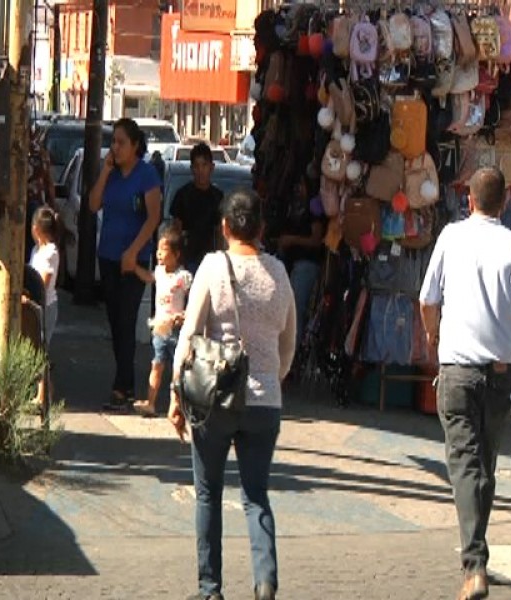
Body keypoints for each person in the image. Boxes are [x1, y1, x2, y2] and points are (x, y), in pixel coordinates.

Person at [419, 167, 511, 600]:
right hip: (499, 375)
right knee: (484, 466)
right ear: (506, 202)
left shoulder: (450, 238)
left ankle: (474, 566)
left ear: (469, 200)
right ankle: (477, 557)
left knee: (468, 466)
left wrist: (433, 338)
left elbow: (427, 300)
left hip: (456, 371)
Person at [168, 191, 296, 600]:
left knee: (208, 492)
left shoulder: (212, 267)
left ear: (225, 227)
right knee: (256, 495)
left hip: (215, 401)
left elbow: (189, 335)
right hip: (265, 402)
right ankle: (265, 580)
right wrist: (270, 378)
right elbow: (288, 343)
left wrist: (176, 393)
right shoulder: (278, 273)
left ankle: (210, 589)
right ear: (261, 229)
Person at [90, 117, 162, 412]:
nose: (115, 148)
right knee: (114, 320)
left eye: (121, 143)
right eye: (113, 142)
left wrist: (133, 251)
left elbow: (153, 217)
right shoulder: (113, 173)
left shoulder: (146, 175)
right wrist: (105, 170)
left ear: (135, 146)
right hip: (107, 255)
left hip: (133, 260)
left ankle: (122, 386)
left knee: (126, 320)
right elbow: (94, 205)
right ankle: (126, 381)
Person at [131, 226, 192, 418]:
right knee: (156, 365)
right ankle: (151, 402)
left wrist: (185, 314)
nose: (159, 253)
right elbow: (148, 277)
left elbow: (195, 299)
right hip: (160, 327)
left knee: (178, 370)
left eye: (163, 250)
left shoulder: (183, 278)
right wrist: (134, 267)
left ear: (176, 254)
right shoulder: (159, 272)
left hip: (176, 330)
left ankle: (177, 404)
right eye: (158, 249)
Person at [276, 180, 325, 349]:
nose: (298, 188)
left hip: (306, 264)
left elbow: (316, 240)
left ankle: (292, 355)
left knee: (296, 309)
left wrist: (292, 240)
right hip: (293, 262)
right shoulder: (294, 206)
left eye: (302, 184)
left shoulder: (314, 206)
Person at [170, 143, 224, 275]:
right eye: (197, 166)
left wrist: (221, 258)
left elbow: (220, 231)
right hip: (188, 260)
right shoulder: (182, 195)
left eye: (204, 165)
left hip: (211, 260)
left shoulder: (218, 196)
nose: (200, 171)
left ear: (211, 168)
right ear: (191, 168)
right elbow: (176, 230)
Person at [29, 206, 60, 409]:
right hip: (35, 305)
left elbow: (44, 281)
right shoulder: (36, 250)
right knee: (36, 348)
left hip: (46, 305)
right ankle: (45, 390)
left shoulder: (51, 252)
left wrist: (30, 295)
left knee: (41, 348)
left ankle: (43, 394)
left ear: (37, 229)